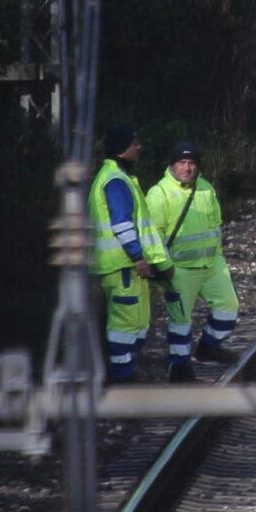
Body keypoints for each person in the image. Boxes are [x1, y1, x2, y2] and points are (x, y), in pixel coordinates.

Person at [146, 142, 238, 383]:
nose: (187, 168)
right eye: (182, 163)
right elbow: (152, 235)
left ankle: (208, 347)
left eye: (191, 163)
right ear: (173, 165)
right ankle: (178, 368)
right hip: (179, 269)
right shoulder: (159, 193)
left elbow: (216, 224)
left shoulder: (206, 188)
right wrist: (163, 266)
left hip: (211, 264)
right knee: (180, 321)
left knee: (228, 307)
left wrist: (217, 256)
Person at [91, 124, 171, 382]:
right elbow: (122, 224)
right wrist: (137, 256)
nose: (139, 147)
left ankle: (121, 373)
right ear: (123, 147)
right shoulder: (115, 180)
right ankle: (121, 378)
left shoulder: (113, 176)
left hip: (118, 265)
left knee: (133, 324)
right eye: (134, 143)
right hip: (122, 265)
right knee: (125, 326)